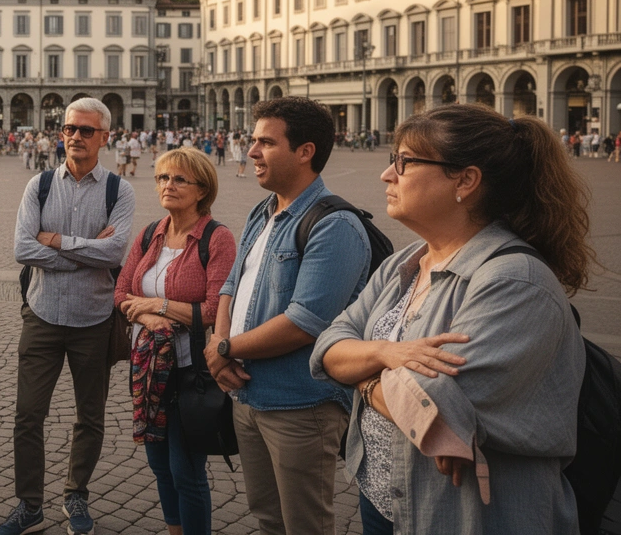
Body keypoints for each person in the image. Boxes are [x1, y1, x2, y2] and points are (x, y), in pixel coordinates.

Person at [313, 105, 589, 534]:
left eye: (404, 162)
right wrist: (388, 354)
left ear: (465, 180)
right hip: (383, 500)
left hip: (466, 515)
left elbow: (433, 406)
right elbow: (329, 344)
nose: (388, 175)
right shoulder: (405, 262)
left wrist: (362, 378)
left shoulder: (516, 281)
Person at [202, 96, 372, 535]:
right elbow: (230, 285)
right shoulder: (264, 211)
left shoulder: (335, 225)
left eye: (265, 143)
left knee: (305, 524)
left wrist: (223, 348)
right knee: (268, 517)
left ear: (305, 151)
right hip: (248, 396)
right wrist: (219, 349)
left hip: (301, 404)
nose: (252, 151)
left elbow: (304, 322)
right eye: (252, 141)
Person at [0, 98, 136, 535]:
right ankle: (29, 505)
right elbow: (22, 249)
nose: (75, 136)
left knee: (90, 416)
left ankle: (76, 494)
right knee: (27, 416)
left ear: (105, 137)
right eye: (70, 128)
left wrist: (56, 241)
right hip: (42, 315)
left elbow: (115, 252)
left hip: (94, 320)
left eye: (86, 131)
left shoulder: (120, 190)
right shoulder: (38, 186)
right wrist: (85, 250)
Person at [115, 148, 236, 535]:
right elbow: (120, 291)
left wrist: (159, 304)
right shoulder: (150, 233)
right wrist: (149, 315)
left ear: (202, 190)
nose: (168, 185)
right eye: (163, 178)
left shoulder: (217, 239)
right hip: (148, 370)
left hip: (190, 372)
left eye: (179, 179)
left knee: (186, 470)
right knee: (159, 464)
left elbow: (217, 308)